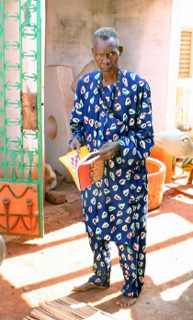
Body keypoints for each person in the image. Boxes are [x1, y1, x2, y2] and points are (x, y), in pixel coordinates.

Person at [68, 27, 154, 307]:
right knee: (95, 230)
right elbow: (77, 123)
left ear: (120, 52)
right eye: (100, 54)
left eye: (111, 53)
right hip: (93, 176)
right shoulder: (85, 85)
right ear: (93, 54)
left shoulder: (138, 87)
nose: (106, 59)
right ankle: (100, 276)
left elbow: (146, 139)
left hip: (127, 179)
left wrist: (119, 146)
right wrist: (75, 139)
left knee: (127, 234)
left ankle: (132, 286)